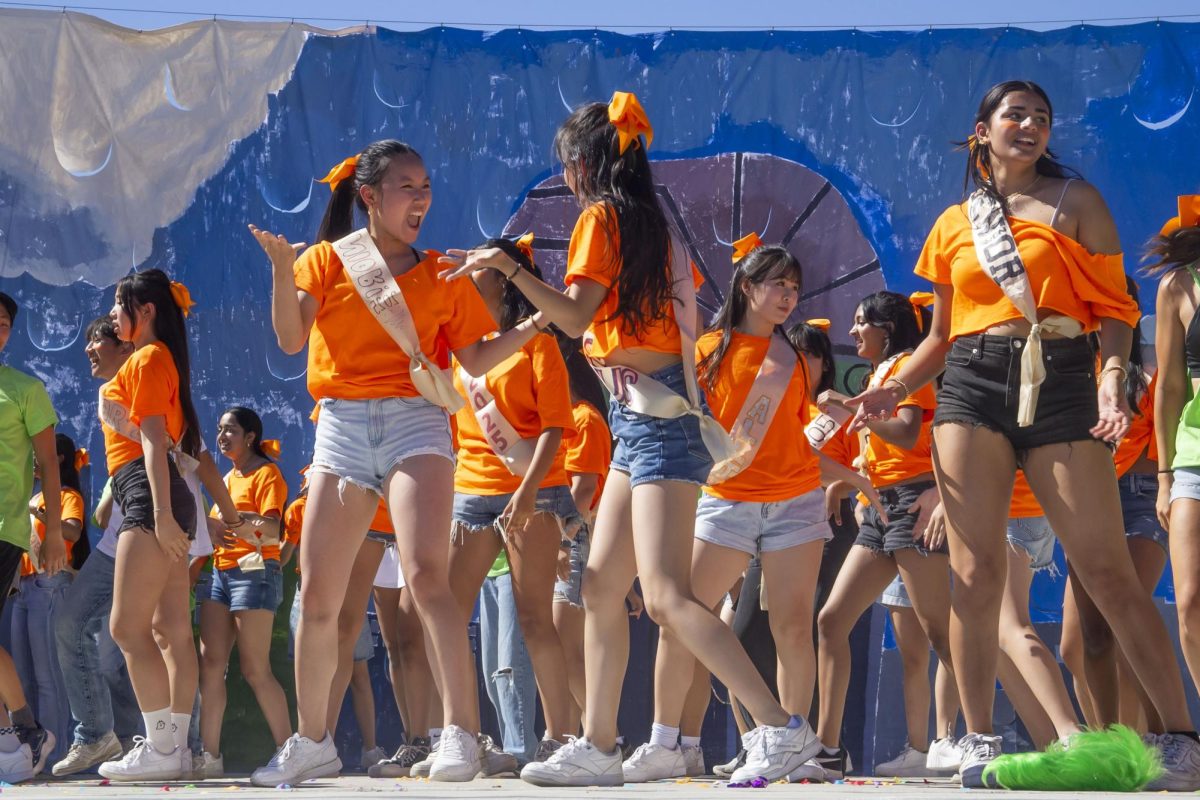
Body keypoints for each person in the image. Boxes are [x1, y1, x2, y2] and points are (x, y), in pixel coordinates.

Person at [440, 92, 822, 787]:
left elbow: (577, 312)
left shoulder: (603, 219)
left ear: (585, 164)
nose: (568, 177)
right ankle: (600, 744)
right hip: (642, 421)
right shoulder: (653, 225)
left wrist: (511, 270)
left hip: (654, 424)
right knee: (599, 583)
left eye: (569, 164)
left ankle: (781, 727)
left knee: (670, 595)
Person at [850, 81, 1199, 789]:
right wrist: (895, 386)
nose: (1031, 125)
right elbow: (943, 337)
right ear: (982, 130)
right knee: (974, 575)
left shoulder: (1078, 203)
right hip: (971, 387)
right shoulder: (954, 223)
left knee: (1107, 572)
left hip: (1063, 380)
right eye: (1016, 115)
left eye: (1042, 116)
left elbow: (1115, 308)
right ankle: (974, 736)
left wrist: (1110, 377)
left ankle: (1180, 739)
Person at [249, 139, 539, 785]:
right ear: (370, 197)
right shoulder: (326, 261)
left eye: (427, 186)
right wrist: (279, 269)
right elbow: (291, 339)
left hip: (416, 421)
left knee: (425, 578)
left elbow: (470, 362)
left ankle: (459, 734)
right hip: (344, 429)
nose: (422, 198)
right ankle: (312, 740)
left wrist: (530, 328)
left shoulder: (440, 273)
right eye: (408, 187)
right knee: (320, 596)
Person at [95, 270, 246, 782]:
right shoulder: (160, 361)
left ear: (147, 310)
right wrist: (218, 511)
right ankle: (175, 749)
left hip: (148, 495)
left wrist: (159, 517)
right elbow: (191, 452)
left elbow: (156, 442)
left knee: (126, 627)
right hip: (162, 495)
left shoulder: (148, 358)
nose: (114, 315)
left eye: (121, 305)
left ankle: (162, 748)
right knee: (169, 629)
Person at [444, 235, 578, 767]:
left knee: (532, 616)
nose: (467, 274)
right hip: (471, 490)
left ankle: (560, 738)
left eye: (477, 266)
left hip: (534, 490)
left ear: (501, 276)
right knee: (448, 615)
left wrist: (526, 493)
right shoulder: (463, 348)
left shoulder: (537, 345)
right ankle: (465, 734)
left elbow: (553, 428)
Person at [807, 291, 950, 782]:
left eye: (861, 322)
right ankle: (827, 748)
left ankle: (962, 738)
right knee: (830, 620)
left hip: (913, 504)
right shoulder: (880, 375)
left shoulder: (910, 367)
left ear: (886, 328)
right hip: (879, 512)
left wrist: (852, 407)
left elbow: (909, 435)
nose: (852, 333)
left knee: (939, 632)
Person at [53, 317, 140, 776]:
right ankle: (103, 735)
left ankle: (176, 744)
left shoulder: (138, 380)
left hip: (151, 526)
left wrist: (172, 521)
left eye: (98, 341)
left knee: (158, 637)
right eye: (85, 340)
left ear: (126, 346)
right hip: (122, 532)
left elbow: (169, 450)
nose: (89, 348)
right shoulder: (113, 390)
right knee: (76, 626)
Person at [194, 407, 292, 778]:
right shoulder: (226, 478)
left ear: (250, 436)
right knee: (211, 666)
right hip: (220, 573)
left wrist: (232, 523)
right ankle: (210, 757)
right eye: (218, 429)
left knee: (255, 669)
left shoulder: (267, 473)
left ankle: (289, 752)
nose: (221, 436)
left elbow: (271, 529)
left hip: (255, 574)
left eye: (230, 429)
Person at [0, 290, 67, 782]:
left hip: (5, 529)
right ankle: (11, 739)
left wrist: (55, 534)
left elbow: (48, 464)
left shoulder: (25, 388)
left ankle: (25, 728)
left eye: (3, 323)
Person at [1151, 195, 1200, 730]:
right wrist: (1164, 477)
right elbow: (1168, 387)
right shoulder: (1179, 286)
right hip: (1192, 457)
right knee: (1189, 600)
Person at [552, 338, 612, 737]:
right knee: (562, 646)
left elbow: (584, 493)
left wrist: (558, 541)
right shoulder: (562, 417)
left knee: (568, 648)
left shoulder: (585, 419)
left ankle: (599, 735)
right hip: (561, 541)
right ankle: (575, 736)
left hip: (573, 541)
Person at [14, 433, 85, 764]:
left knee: (47, 677)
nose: (34, 460)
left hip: (50, 584)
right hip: (22, 587)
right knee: (22, 676)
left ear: (58, 460)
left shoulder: (67, 495)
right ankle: (30, 750)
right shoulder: (36, 494)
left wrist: (40, 514)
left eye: (40, 454)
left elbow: (72, 531)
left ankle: (56, 753)